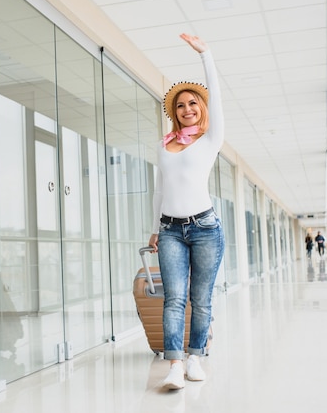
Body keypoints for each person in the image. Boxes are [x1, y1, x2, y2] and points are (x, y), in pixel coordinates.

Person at [148, 33, 224, 390]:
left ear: (201, 108)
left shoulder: (210, 140)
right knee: (173, 298)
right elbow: (160, 190)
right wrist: (153, 228)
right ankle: (175, 364)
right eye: (180, 106)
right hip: (170, 231)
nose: (187, 109)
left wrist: (205, 54)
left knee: (200, 298)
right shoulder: (164, 147)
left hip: (206, 227)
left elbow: (218, 98)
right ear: (173, 112)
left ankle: (195, 358)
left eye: (193, 104)